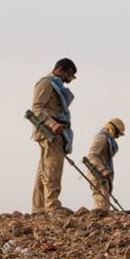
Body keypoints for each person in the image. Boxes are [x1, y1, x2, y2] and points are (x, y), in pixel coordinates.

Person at [30, 58, 77, 215]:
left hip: (57, 132)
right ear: (62, 70)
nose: (70, 80)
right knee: (52, 168)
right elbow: (37, 108)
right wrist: (52, 124)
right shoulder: (46, 83)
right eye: (70, 75)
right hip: (50, 133)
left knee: (44, 171)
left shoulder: (55, 86)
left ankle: (39, 208)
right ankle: (52, 206)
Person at [85, 118, 126, 211]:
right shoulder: (101, 137)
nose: (118, 136)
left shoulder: (108, 139)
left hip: (102, 174)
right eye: (118, 133)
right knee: (101, 204)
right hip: (97, 173)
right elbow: (92, 155)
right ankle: (98, 222)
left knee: (104, 201)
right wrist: (102, 169)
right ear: (112, 129)